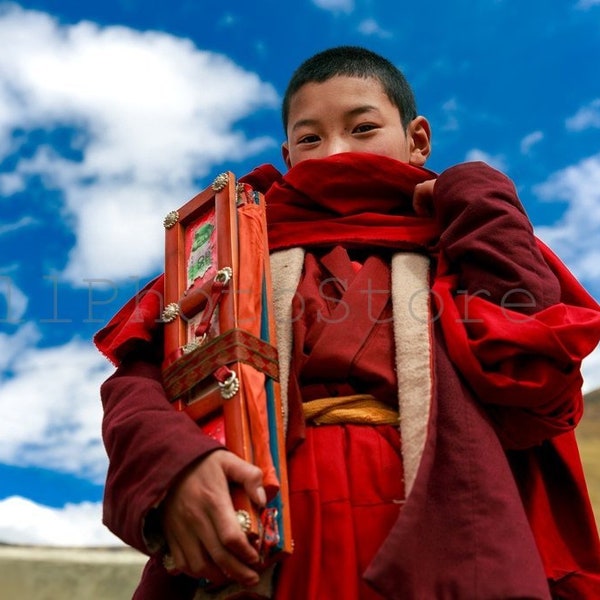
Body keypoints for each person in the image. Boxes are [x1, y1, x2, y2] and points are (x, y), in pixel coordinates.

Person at [95, 46, 600, 599]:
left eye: (362, 128)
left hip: (446, 531)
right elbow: (136, 384)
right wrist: (173, 468)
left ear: (418, 141)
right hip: (263, 535)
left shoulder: (462, 238)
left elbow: (533, 381)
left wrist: (483, 202)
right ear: (288, 154)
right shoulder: (226, 255)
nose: (335, 153)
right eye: (310, 138)